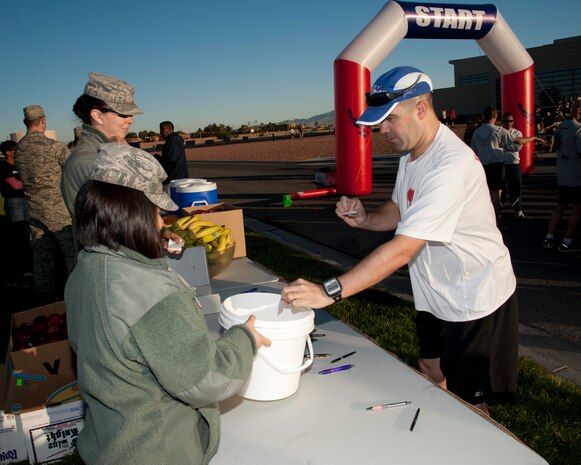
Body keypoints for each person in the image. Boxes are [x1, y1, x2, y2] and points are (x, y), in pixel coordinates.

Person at [281, 66, 519, 414]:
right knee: (430, 368)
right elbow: (398, 207)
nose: (383, 130)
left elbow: (403, 248)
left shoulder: (449, 166)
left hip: (474, 298)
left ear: (421, 108)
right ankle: (440, 426)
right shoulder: (412, 154)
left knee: (473, 406)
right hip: (436, 291)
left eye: (390, 119)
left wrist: (328, 290)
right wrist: (365, 220)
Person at [66, 143, 270, 465]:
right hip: (157, 450)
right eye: (157, 214)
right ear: (132, 215)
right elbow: (208, 380)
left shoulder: (85, 270)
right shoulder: (151, 291)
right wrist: (245, 339)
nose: (162, 222)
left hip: (110, 443)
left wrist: (150, 247)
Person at [61, 72, 142, 224]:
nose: (130, 120)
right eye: (123, 114)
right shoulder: (91, 160)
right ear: (97, 116)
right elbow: (126, 216)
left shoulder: (108, 151)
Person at [14, 105, 75, 304]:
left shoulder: (19, 149)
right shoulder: (53, 146)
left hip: (33, 209)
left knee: (42, 255)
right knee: (71, 254)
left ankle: (45, 298)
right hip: (58, 210)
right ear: (43, 121)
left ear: (25, 123)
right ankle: (76, 294)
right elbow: (73, 170)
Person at [471, 106, 539, 220]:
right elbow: (520, 141)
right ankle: (495, 220)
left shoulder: (476, 132)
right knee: (497, 193)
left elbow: (473, 151)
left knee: (486, 193)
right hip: (496, 165)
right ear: (495, 117)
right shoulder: (498, 130)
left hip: (483, 165)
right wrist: (533, 137)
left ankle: (486, 217)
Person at [543, 100, 581, 252]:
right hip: (576, 176)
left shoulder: (559, 127)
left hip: (563, 175)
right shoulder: (578, 129)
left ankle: (549, 237)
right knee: (578, 207)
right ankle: (567, 240)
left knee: (560, 206)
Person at [0, 140, 32, 275]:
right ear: (8, 152)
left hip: (25, 200)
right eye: (14, 149)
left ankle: (29, 263)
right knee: (20, 234)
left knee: (28, 233)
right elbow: (16, 186)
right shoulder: (3, 167)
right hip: (15, 202)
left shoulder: (19, 164)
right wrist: (30, 181)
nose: (16, 151)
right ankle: (23, 267)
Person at [500, 112, 525, 218]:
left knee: (516, 186)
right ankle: (498, 210)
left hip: (514, 163)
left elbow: (517, 147)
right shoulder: (499, 132)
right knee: (502, 188)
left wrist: (504, 146)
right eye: (506, 121)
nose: (508, 123)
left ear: (513, 122)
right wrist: (510, 144)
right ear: (502, 122)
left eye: (510, 121)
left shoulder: (517, 133)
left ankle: (517, 209)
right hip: (502, 164)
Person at [158, 121, 188, 186]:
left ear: (170, 129)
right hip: (176, 178)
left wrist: (159, 160)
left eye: (162, 129)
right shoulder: (172, 140)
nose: (160, 132)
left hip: (176, 179)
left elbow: (172, 159)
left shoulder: (174, 140)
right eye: (160, 129)